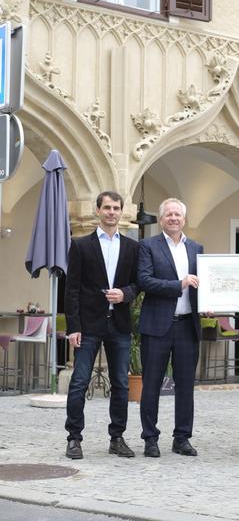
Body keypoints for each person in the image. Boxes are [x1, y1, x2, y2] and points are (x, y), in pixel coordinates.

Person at [64, 191, 138, 460]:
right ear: (98, 211)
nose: (111, 212)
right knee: (79, 382)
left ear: (121, 212)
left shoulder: (132, 247)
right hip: (88, 325)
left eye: (116, 208)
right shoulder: (81, 245)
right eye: (106, 207)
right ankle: (74, 438)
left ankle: (117, 437)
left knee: (120, 383)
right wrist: (73, 326)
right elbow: (71, 289)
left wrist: (125, 294)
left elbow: (137, 284)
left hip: (119, 324)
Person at [137, 198, 203, 458]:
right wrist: (179, 284)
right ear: (161, 219)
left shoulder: (196, 247)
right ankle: (150, 438)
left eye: (178, 214)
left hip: (188, 325)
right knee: (151, 384)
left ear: (184, 219)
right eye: (169, 215)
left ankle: (182, 438)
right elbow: (144, 280)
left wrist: (207, 303)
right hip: (157, 326)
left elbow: (203, 283)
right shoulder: (148, 246)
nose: (174, 218)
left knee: (186, 386)